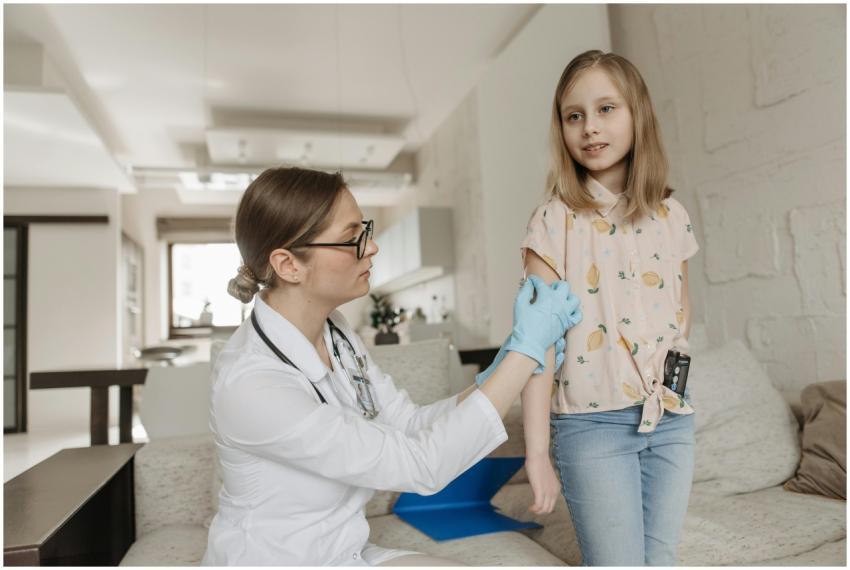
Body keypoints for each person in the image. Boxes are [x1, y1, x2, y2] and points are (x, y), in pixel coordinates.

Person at [200, 166, 583, 566]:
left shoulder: (336, 332)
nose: (371, 247)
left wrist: (506, 359)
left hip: (341, 552)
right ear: (288, 264)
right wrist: (526, 353)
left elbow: (410, 425)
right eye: (351, 239)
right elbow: (422, 465)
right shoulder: (251, 384)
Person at [479, 50, 700, 565]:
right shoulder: (553, 222)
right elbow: (535, 348)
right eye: (573, 115)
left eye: (606, 109)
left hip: (670, 420)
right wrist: (536, 453)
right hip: (591, 428)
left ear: (637, 114)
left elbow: (682, 314)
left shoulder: (673, 215)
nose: (589, 128)